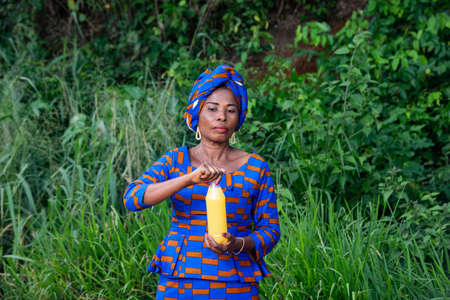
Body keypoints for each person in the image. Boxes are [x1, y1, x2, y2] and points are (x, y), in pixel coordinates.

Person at [123, 65, 280, 299]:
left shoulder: (256, 167)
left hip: (235, 281)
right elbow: (133, 198)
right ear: (197, 114)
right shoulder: (175, 161)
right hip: (180, 278)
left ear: (238, 118)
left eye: (231, 110)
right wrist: (188, 179)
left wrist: (237, 243)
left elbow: (270, 230)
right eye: (212, 108)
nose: (221, 117)